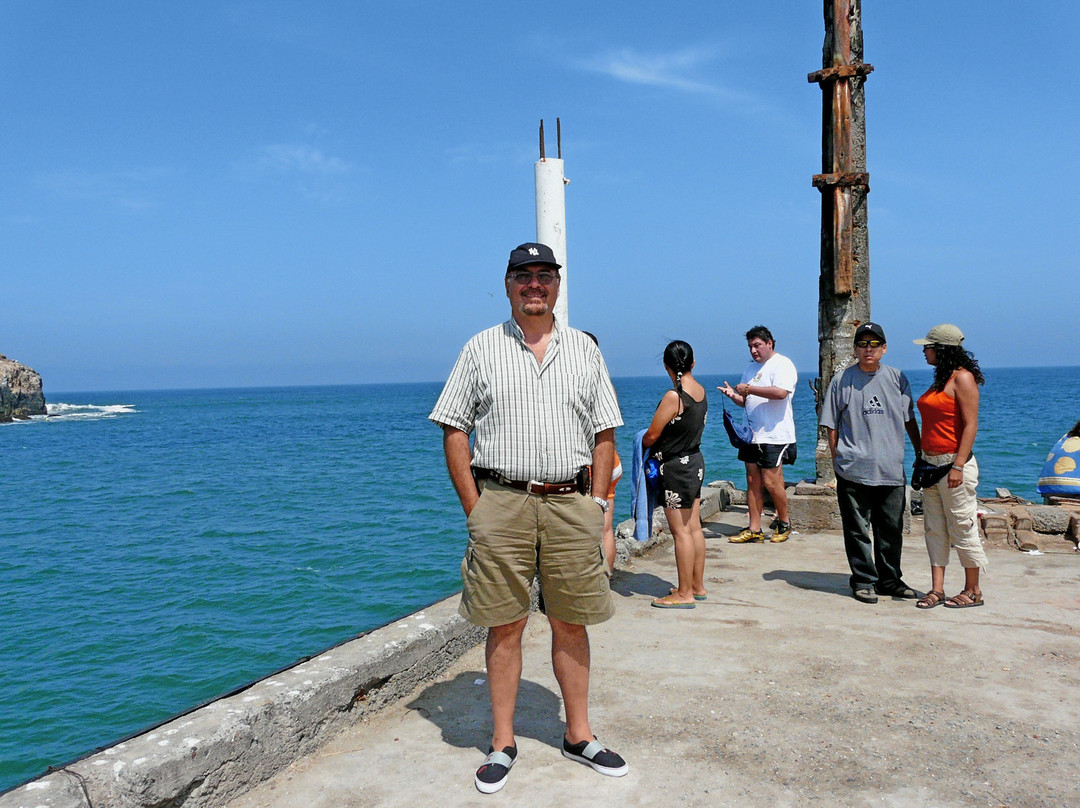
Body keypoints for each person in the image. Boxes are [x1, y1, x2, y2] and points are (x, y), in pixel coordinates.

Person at [429, 242, 628, 793]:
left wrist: (598, 506)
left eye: (544, 275)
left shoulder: (585, 351)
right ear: (509, 283)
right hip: (502, 500)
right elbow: (454, 429)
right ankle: (501, 741)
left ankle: (579, 734)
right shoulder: (480, 348)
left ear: (557, 285)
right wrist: (477, 510)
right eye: (524, 275)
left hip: (571, 503)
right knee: (505, 622)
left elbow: (604, 434)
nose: (534, 284)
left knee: (572, 620)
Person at [820, 322, 923, 604]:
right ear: (854, 349)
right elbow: (831, 424)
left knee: (891, 529)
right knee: (857, 530)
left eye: (874, 344)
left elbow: (909, 417)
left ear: (884, 348)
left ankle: (890, 580)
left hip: (891, 468)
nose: (868, 349)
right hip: (854, 468)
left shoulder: (896, 378)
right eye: (863, 344)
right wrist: (836, 459)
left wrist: (919, 451)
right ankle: (863, 579)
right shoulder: (841, 380)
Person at [912, 324, 989, 609]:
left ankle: (973, 590)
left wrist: (958, 466)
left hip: (953, 466)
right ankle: (937, 589)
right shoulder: (939, 379)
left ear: (941, 350)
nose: (924, 351)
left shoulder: (962, 379)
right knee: (934, 529)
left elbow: (971, 425)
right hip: (930, 465)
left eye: (928, 346)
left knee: (962, 527)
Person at [642, 341, 708, 608]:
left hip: (675, 469)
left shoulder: (674, 397)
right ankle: (697, 586)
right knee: (694, 528)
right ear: (692, 363)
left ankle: (684, 593)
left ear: (667, 367)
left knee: (680, 532)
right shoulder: (701, 391)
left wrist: (642, 442)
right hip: (694, 462)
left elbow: (652, 434)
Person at [719, 325, 797, 543]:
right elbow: (747, 400)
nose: (753, 350)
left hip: (775, 434)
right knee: (752, 480)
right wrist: (734, 396)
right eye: (750, 346)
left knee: (771, 481)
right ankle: (755, 529)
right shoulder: (750, 369)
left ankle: (784, 522)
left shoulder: (782, 364)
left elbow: (781, 393)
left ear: (769, 343)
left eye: (757, 345)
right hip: (751, 434)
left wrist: (749, 389)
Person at [583, 332, 621, 576]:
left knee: (584, 529)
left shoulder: (581, 383)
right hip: (612, 461)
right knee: (606, 528)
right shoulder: (608, 386)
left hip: (593, 464)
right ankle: (606, 579)